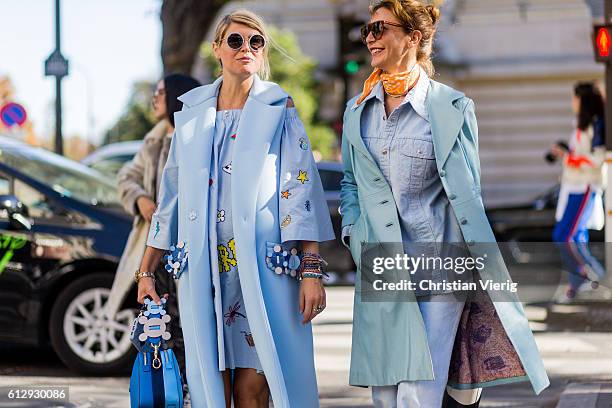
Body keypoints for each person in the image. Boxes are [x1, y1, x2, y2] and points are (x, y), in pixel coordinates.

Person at [339, 1, 549, 407]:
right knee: (386, 389)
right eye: (368, 29)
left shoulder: (452, 108)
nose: (370, 37)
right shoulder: (356, 111)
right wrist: (354, 233)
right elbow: (350, 182)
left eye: (381, 28)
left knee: (420, 392)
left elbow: (467, 196)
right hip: (381, 263)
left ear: (413, 38)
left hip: (440, 265)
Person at [135, 9, 334, 408]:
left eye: (255, 42)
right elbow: (170, 197)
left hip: (263, 269)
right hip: (204, 270)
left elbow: (300, 189)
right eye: (236, 41)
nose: (246, 48)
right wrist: (146, 270)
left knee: (254, 388)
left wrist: (311, 270)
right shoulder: (191, 113)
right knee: (212, 386)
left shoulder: (280, 108)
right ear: (217, 49)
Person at [105, 73, 201, 377]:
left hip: (190, 246)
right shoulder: (155, 139)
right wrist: (141, 200)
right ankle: (165, 384)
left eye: (161, 92)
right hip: (155, 249)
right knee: (157, 323)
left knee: (190, 322)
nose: (155, 98)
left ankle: (187, 384)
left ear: (177, 95)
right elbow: (126, 176)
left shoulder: (198, 135)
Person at [550, 82, 606, 300]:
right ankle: (579, 283)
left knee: (566, 236)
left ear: (583, 101)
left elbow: (597, 159)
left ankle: (593, 276)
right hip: (573, 186)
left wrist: (569, 158)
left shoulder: (594, 126)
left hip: (584, 187)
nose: (572, 102)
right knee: (573, 237)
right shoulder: (582, 126)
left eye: (575, 98)